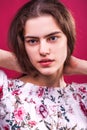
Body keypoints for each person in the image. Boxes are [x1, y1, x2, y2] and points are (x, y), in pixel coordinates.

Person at [0, 0, 87, 129]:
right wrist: (14, 61)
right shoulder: (5, 91)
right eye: (32, 41)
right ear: (23, 45)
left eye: (52, 38)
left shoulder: (82, 96)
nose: (43, 51)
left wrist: (78, 66)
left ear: (68, 39)